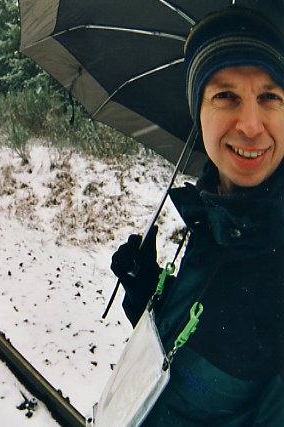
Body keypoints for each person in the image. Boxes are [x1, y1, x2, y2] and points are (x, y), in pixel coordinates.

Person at [110, 7, 284, 426]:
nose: (250, 125)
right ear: (198, 114)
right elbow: (189, 354)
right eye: (225, 96)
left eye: (270, 97)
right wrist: (148, 296)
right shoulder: (213, 218)